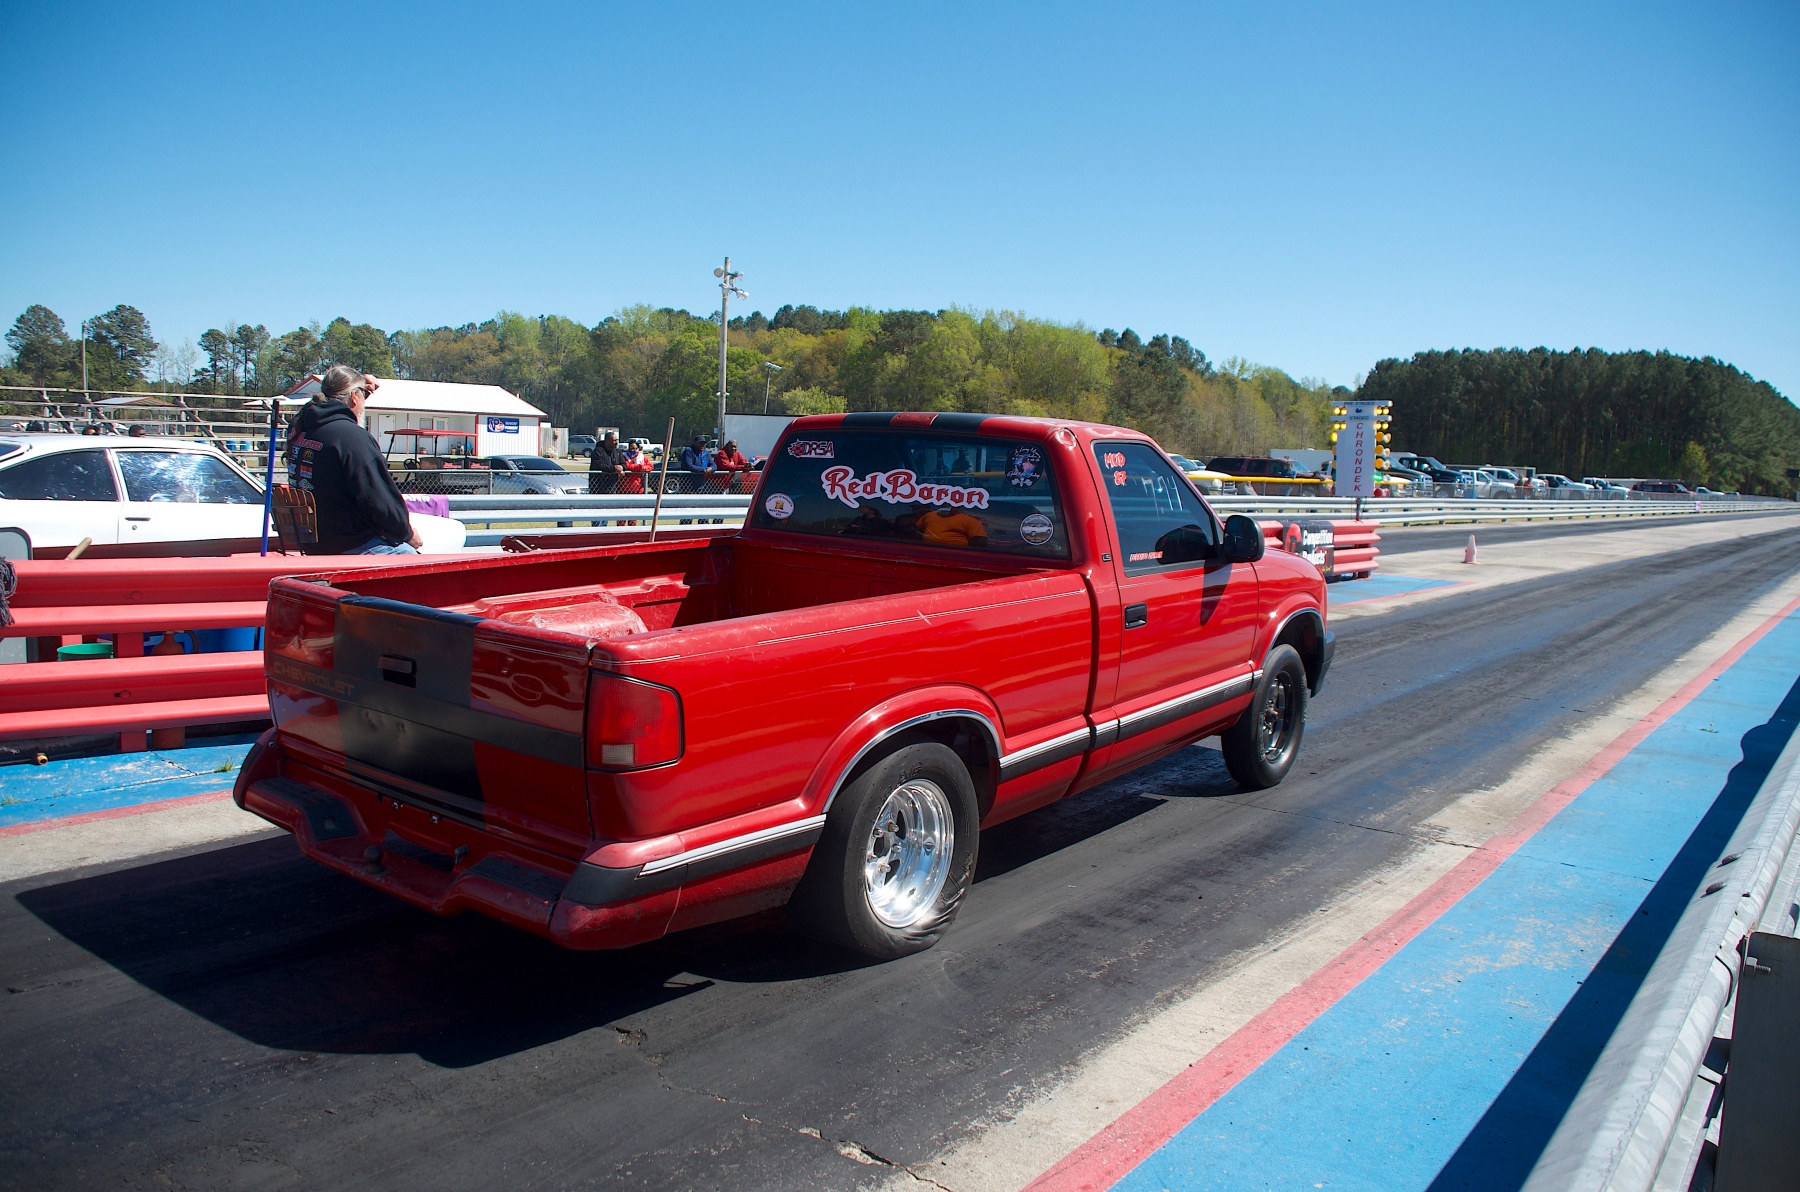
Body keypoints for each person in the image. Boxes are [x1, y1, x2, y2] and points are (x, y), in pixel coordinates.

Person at [287, 364, 420, 555]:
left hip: (316, 541)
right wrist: (407, 533)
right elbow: (379, 500)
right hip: (349, 542)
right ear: (355, 397)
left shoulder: (301, 428)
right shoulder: (351, 437)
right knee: (410, 556)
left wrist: (359, 385)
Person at [912, 502, 988, 548]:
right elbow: (915, 532)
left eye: (949, 505)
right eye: (944, 505)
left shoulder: (971, 521)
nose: (946, 507)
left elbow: (979, 542)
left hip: (956, 554)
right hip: (926, 550)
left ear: (958, 507)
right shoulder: (929, 515)